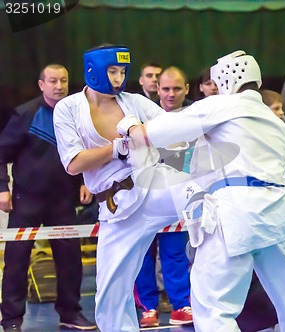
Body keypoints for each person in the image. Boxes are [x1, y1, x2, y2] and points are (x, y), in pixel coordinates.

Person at [126, 50, 285, 331]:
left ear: (226, 80)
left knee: (214, 310)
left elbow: (158, 132)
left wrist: (130, 127)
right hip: (280, 218)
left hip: (238, 216)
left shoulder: (222, 106)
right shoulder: (279, 126)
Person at [52, 44, 205, 332]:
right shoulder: (69, 108)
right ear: (93, 70)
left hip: (153, 186)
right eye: (112, 71)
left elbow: (173, 131)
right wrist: (117, 148)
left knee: (209, 197)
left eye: (122, 71)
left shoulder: (134, 102)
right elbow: (73, 164)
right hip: (116, 208)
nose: (118, 78)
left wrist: (206, 120)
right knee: (110, 297)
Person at [0, 64, 96, 332]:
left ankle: (70, 314)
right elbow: (1, 153)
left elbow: (85, 151)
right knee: (17, 263)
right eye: (53, 81)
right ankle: (11, 320)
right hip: (26, 201)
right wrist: (2, 188)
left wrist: (86, 180)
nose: (59, 86)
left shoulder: (77, 115)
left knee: (70, 261)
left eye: (63, 80)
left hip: (63, 201)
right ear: (41, 84)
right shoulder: (25, 114)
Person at [135, 66, 193, 328]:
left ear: (187, 89)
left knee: (175, 253)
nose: (171, 94)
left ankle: (181, 305)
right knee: (144, 254)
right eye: (166, 88)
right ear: (157, 89)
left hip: (178, 199)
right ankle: (148, 308)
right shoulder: (140, 117)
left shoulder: (196, 117)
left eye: (177, 89)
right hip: (143, 198)